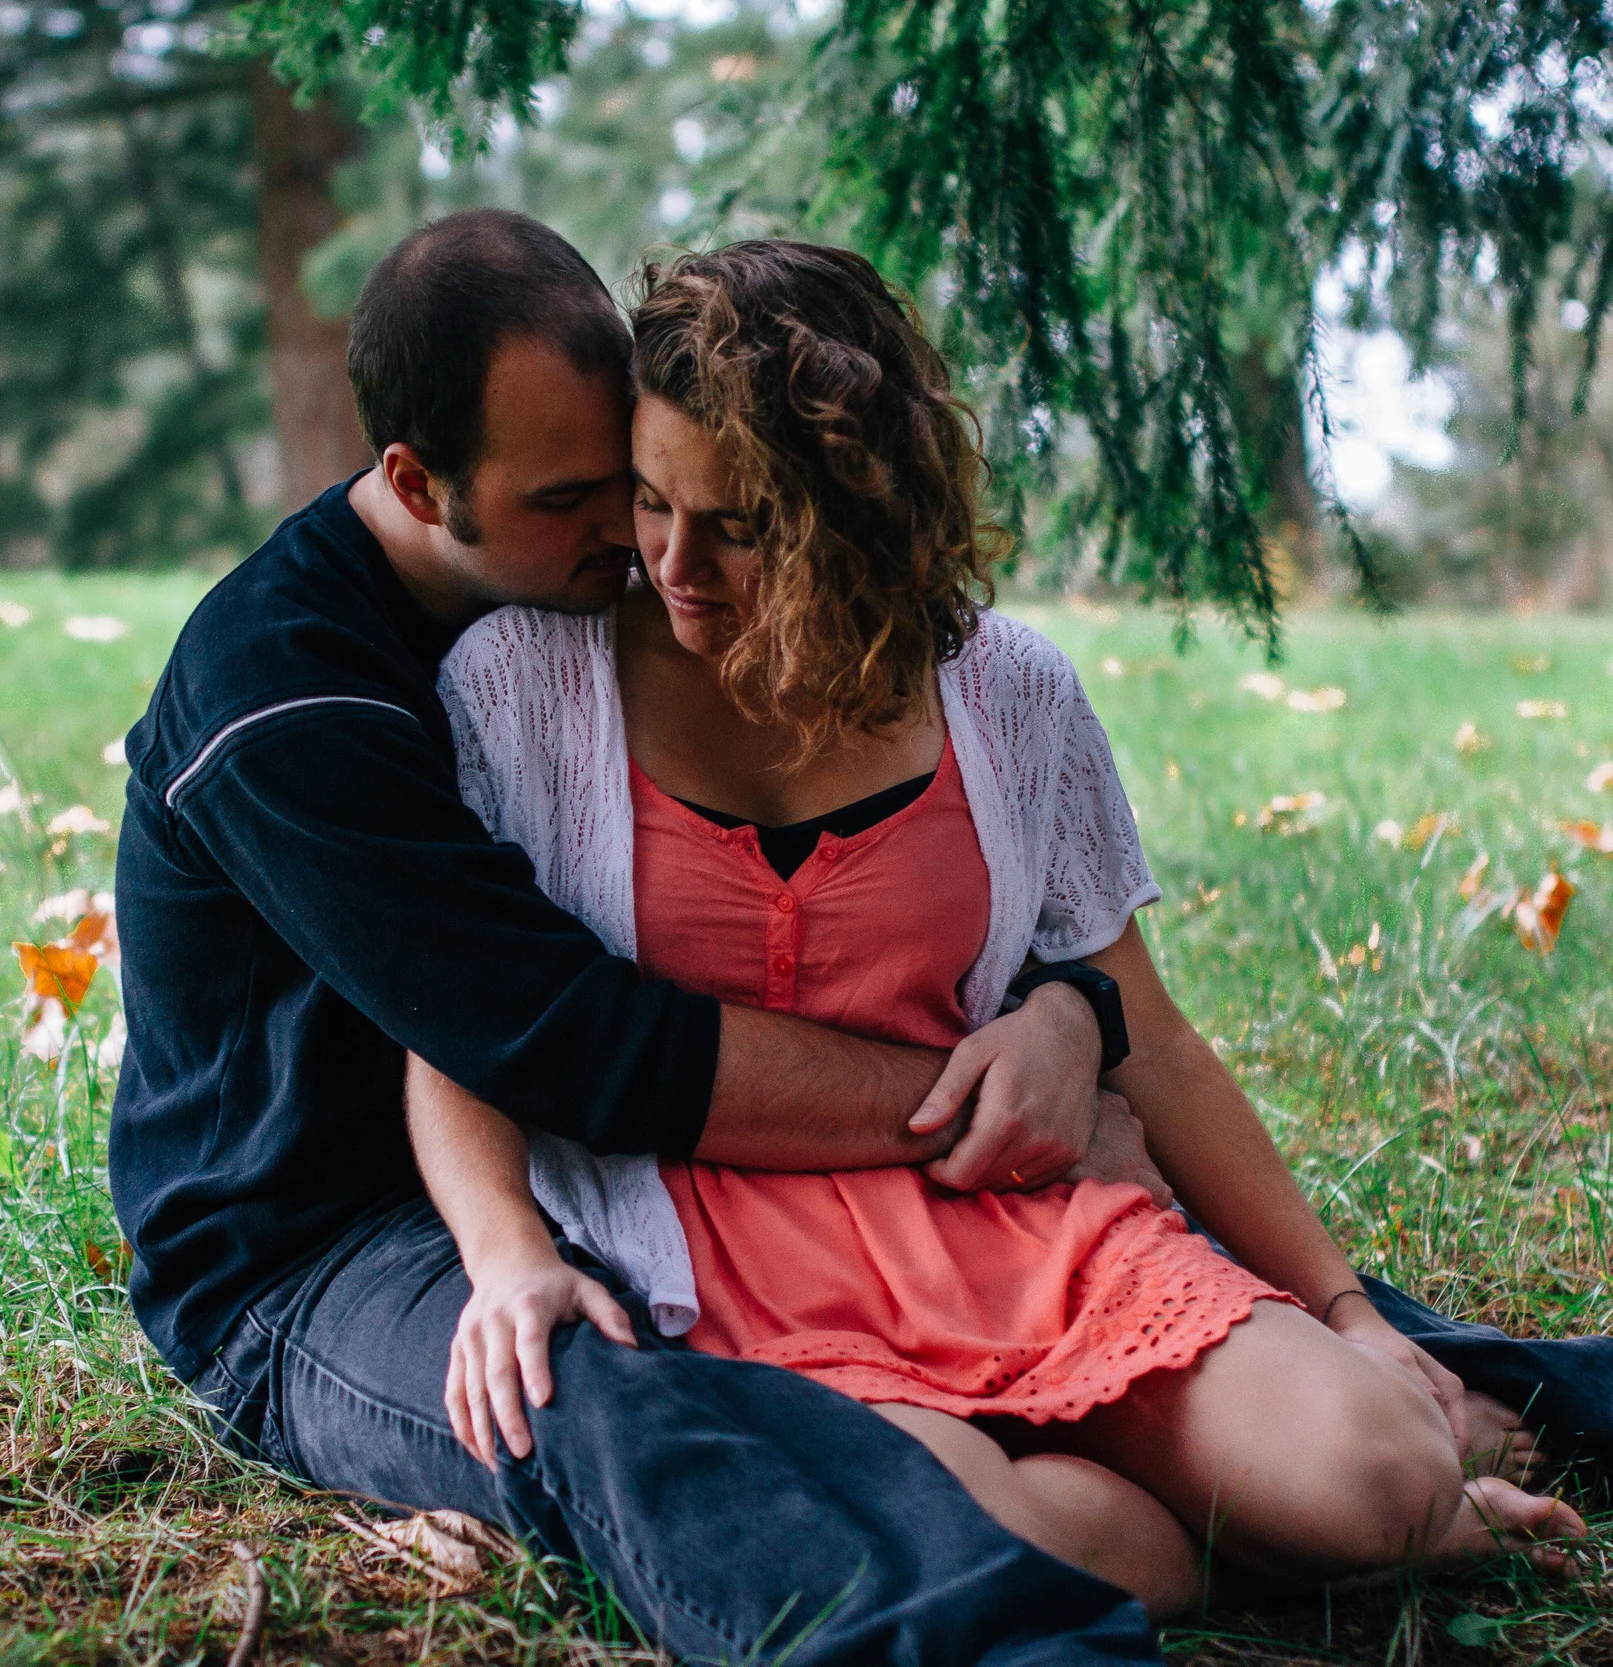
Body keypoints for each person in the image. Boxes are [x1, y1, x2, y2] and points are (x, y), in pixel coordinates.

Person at [109, 208, 1613, 1663]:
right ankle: (975, 1622)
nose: (648, 556)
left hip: (808, 1180)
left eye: (640, 488)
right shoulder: (297, 697)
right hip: (327, 1241)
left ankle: (1448, 1414)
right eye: (596, 505)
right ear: (419, 484)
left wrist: (1079, 1023)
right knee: (599, 1395)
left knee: (1310, 1380)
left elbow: (1055, 976)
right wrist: (1002, 1090)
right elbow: (548, 1038)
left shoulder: (873, 657)